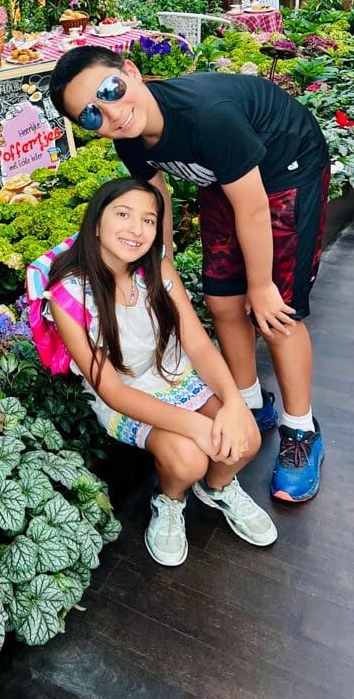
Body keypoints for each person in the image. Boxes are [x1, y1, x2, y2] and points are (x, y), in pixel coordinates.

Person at [49, 47, 330, 503]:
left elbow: (254, 207)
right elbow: (154, 195)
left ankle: (300, 430)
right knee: (221, 302)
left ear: (131, 72)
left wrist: (260, 286)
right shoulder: (129, 134)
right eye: (91, 116)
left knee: (276, 312)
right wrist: (162, 264)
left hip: (285, 168)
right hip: (223, 179)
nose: (112, 114)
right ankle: (249, 401)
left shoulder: (208, 118)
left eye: (110, 92)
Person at [34, 177, 276, 566]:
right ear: (96, 221)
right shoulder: (70, 295)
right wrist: (196, 426)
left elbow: (196, 343)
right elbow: (112, 390)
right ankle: (170, 499)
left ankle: (217, 487)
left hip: (175, 377)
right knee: (189, 458)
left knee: (245, 436)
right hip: (128, 397)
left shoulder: (156, 269)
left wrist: (233, 402)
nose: (136, 229)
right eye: (124, 214)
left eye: (149, 220)